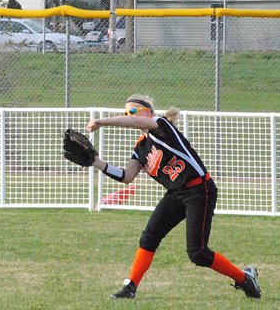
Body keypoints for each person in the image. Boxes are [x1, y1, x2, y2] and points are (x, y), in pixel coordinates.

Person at [85, 94, 261, 299]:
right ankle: (130, 287)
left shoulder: (161, 126)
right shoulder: (140, 148)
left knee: (198, 253)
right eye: (125, 112)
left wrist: (102, 121)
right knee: (149, 236)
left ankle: (245, 278)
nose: (128, 115)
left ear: (148, 111)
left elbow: (137, 122)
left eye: (132, 111)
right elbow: (126, 176)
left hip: (199, 190)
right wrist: (96, 162)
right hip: (177, 193)